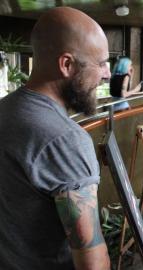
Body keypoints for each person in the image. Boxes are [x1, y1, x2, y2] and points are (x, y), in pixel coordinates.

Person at [0, 7, 111, 270]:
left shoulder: (3, 110)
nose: (106, 73)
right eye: (101, 63)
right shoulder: (65, 140)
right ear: (66, 65)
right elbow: (92, 264)